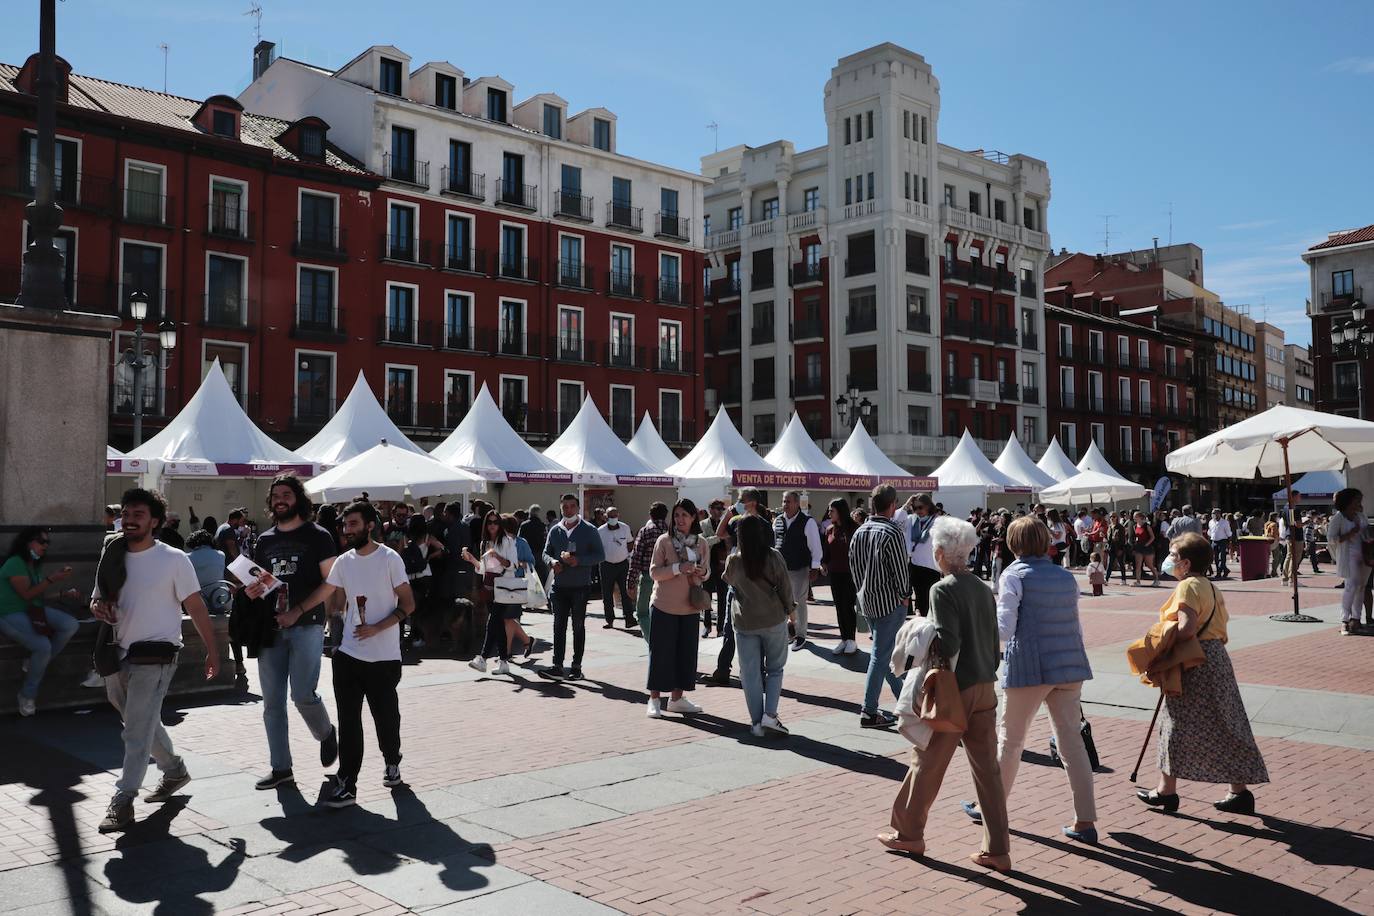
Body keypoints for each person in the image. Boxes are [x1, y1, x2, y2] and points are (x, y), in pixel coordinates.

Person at [879, 516, 1010, 872]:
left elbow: (948, 640)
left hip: (956, 688)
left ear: (939, 552)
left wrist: (921, 631)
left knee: (927, 761)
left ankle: (908, 831)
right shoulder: (982, 587)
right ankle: (997, 849)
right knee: (988, 772)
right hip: (985, 685)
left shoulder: (943, 589)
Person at [91, 489, 220, 832]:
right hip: (117, 652)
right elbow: (95, 599)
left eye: (138, 514)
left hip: (157, 654)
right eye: (127, 514)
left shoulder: (174, 559)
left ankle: (124, 799)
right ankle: (175, 770)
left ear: (155, 521)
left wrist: (213, 648)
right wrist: (98, 608)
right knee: (140, 721)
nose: (130, 520)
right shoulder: (112, 553)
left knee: (135, 728)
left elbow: (195, 606)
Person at [961, 517, 1096, 843]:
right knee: (1071, 743)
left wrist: (976, 639)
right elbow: (1076, 626)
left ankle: (989, 807)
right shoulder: (1066, 577)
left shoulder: (1014, 574)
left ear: (1012, 543)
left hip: (1029, 667)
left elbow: (1004, 628)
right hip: (1070, 665)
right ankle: (1085, 821)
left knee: (1011, 741)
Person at [292, 500, 415, 808]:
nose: (347, 531)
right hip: (347, 654)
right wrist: (297, 611)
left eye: (353, 525)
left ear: (370, 525)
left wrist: (379, 627)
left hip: (384, 657)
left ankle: (391, 760)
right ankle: (348, 782)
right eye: (345, 526)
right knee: (348, 721)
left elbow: (408, 604)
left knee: (385, 717)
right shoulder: (344, 561)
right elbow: (325, 591)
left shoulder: (390, 559)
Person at [1138, 532, 1269, 815]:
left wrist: (1160, 643)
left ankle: (1166, 791)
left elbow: (1186, 627)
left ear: (1185, 564)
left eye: (1173, 556)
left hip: (1194, 660)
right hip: (1216, 659)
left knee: (1174, 723)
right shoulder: (1210, 585)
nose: (1169, 560)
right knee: (1225, 723)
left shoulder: (1186, 587)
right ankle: (1238, 790)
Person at [243, 475, 340, 790]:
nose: (280, 500)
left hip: (307, 624)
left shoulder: (319, 535)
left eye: (286, 494)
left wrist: (298, 610)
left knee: (302, 694)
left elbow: (331, 582)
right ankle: (281, 768)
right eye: (275, 496)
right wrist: (252, 590)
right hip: (270, 628)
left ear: (298, 498)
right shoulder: (265, 540)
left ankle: (326, 733)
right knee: (272, 703)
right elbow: (263, 580)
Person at [723, 514, 794, 737]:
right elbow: (785, 588)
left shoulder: (734, 560)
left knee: (750, 673)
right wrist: (793, 616)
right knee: (775, 669)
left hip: (744, 622)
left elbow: (729, 582)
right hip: (773, 618)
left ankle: (756, 722)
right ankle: (770, 716)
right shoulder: (773, 556)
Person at [0, 527, 81, 715]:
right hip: (8, 614)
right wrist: (52, 579)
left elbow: (36, 596)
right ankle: (27, 695)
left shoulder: (33, 565)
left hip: (31, 610)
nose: (45, 545)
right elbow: (26, 594)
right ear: (27, 542)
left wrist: (62, 593)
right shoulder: (15, 563)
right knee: (42, 647)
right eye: (41, 541)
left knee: (71, 625)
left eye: (47, 542)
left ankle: (35, 662)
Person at [849, 485, 909, 729]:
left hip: (868, 600)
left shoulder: (860, 531)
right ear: (892, 505)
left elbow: (854, 567)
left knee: (884, 654)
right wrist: (905, 595)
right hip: (889, 602)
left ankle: (906, 701)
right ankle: (869, 710)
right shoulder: (892, 532)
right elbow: (900, 570)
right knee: (881, 655)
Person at [645, 499, 707, 718]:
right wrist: (678, 568)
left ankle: (677, 698)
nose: (680, 519)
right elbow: (655, 572)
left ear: (693, 518)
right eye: (677, 515)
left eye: (685, 515)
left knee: (686, 655)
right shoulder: (664, 541)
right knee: (661, 654)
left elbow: (707, 571)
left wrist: (701, 572)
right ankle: (654, 699)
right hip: (664, 605)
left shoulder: (701, 543)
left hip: (690, 606)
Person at [464, 512, 535, 675]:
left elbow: (513, 565)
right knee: (499, 624)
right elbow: (483, 568)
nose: (492, 525)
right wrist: (471, 560)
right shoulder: (484, 543)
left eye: (496, 522)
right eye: (489, 522)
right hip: (489, 587)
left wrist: (497, 555)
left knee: (493, 621)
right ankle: (503, 661)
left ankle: (482, 658)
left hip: (504, 586)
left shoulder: (508, 541)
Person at [543, 493, 605, 679]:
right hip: (559, 586)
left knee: (578, 626)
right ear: (561, 508)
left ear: (578, 508)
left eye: (572, 506)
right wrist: (552, 562)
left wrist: (579, 560)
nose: (568, 509)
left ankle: (576, 666)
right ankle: (557, 666)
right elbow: (545, 553)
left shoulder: (589, 530)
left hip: (580, 586)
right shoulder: (556, 530)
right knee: (558, 626)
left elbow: (600, 555)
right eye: (565, 507)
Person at [772, 491, 822, 651]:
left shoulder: (808, 522)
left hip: (800, 568)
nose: (784, 505)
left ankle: (800, 636)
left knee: (798, 603)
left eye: (787, 502)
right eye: (783, 501)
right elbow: (775, 542)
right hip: (781, 569)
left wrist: (815, 567)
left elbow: (815, 546)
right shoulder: (778, 521)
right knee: (782, 602)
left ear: (796, 503)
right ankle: (788, 634)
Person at [1327, 488, 1370, 636]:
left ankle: (1356, 620)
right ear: (1348, 501)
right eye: (1357, 499)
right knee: (1351, 586)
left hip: (1364, 555)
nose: (1359, 502)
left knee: (1361, 587)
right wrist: (1349, 534)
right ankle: (1344, 620)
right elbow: (1331, 539)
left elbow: (1366, 531)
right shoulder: (1338, 517)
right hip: (1349, 555)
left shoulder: (1360, 515)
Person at [401, 514, 446, 650]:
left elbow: (398, 554)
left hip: (408, 576)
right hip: (425, 574)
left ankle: (407, 636)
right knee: (421, 608)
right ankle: (419, 637)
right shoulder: (427, 537)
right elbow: (442, 549)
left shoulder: (405, 538)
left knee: (408, 607)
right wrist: (428, 557)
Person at [823, 498, 859, 656]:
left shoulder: (853, 528)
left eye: (832, 510)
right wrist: (823, 563)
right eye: (829, 510)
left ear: (840, 511)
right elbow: (827, 551)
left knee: (848, 606)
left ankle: (851, 639)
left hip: (850, 573)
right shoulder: (829, 529)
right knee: (838, 606)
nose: (829, 513)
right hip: (835, 573)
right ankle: (844, 638)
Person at [629, 502, 670, 640]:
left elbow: (636, 557)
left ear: (650, 515)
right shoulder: (672, 532)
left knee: (642, 612)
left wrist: (630, 581)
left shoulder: (645, 531)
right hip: (668, 577)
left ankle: (652, 641)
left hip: (648, 576)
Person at [895, 494, 941, 615]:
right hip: (914, 565)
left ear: (928, 506)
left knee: (929, 601)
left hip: (931, 566)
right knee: (918, 601)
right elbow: (895, 521)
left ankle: (930, 629)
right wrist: (906, 504)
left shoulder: (937, 521)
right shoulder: (910, 519)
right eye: (914, 508)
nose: (918, 511)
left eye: (920, 507)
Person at [598, 507, 634, 629]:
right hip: (606, 565)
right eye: (610, 517)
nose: (613, 519)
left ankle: (629, 618)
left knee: (626, 592)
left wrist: (628, 556)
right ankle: (609, 620)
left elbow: (630, 543)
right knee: (607, 594)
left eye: (615, 516)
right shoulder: (600, 531)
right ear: (605, 517)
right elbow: (597, 548)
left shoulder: (625, 528)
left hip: (623, 564)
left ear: (618, 515)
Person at [702, 500, 730, 639]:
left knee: (722, 598)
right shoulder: (703, 524)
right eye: (717, 508)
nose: (719, 511)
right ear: (710, 509)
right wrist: (718, 538)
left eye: (721, 509)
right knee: (706, 596)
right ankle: (707, 626)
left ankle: (720, 628)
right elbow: (703, 542)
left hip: (723, 565)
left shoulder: (726, 524)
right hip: (708, 565)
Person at [518, 504, 548, 587]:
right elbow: (545, 540)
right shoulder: (543, 525)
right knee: (541, 576)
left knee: (528, 575)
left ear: (530, 513)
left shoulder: (524, 525)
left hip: (527, 554)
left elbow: (519, 540)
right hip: (540, 554)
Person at [1132, 510, 1159, 587]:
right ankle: (1138, 581)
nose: (1134, 518)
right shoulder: (1135, 526)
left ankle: (1156, 579)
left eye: (1136, 516)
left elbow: (1152, 537)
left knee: (1149, 565)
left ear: (1140, 517)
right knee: (1138, 565)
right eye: (1134, 517)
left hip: (1147, 547)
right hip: (1138, 547)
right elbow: (1136, 536)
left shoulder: (1146, 526)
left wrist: (1147, 544)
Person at [1208, 509, 1233, 579]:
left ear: (1219, 514)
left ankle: (1222, 570)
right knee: (1215, 558)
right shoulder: (1211, 522)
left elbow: (1228, 532)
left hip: (1222, 541)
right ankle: (1221, 571)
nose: (1213, 515)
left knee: (1221, 557)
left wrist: (1230, 540)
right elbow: (1210, 531)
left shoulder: (1225, 522)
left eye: (1215, 513)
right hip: (1214, 541)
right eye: (1212, 513)